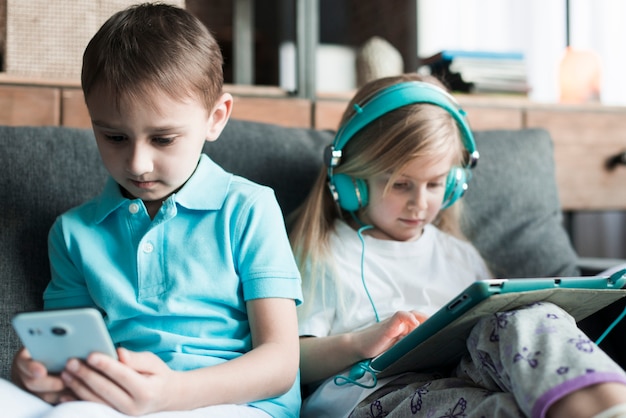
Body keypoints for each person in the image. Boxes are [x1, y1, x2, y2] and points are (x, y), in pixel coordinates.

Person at [3, 3, 302, 417]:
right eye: (114, 137)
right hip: (118, 404)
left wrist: (171, 394)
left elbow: (280, 364)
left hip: (236, 404)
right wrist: (41, 377)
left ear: (216, 118)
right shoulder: (72, 233)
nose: (138, 164)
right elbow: (74, 357)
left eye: (163, 139)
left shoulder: (248, 208)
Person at [289, 72, 626, 418]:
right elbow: (288, 358)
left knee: (532, 318)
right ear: (352, 183)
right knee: (504, 411)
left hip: (464, 373)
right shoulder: (324, 254)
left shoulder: (457, 254)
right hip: (377, 396)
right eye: (401, 184)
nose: (419, 204)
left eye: (434, 185)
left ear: (454, 185)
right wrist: (360, 343)